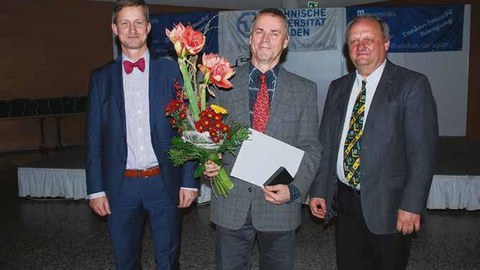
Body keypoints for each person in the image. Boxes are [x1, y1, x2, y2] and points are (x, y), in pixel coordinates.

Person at [309, 14, 438, 270]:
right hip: (345, 203)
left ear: (386, 43)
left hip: (390, 206)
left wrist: (412, 205)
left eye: (369, 39)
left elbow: (422, 152)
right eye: (354, 41)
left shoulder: (412, 84)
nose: (361, 46)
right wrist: (319, 190)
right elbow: (327, 143)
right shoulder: (338, 87)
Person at [204, 8, 322, 270]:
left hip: (278, 207)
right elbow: (208, 136)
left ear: (286, 41)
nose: (265, 39)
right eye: (259, 31)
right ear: (250, 38)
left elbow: (310, 148)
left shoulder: (304, 89)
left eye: (274, 32)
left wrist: (293, 189)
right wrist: (206, 162)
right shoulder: (222, 84)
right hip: (231, 203)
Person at [85, 1, 198, 269]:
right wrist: (95, 189)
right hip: (120, 185)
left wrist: (189, 181)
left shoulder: (172, 71)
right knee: (125, 261)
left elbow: (188, 129)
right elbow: (93, 137)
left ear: (148, 28)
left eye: (138, 22)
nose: (132, 29)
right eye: (125, 23)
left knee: (168, 260)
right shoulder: (101, 78)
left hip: (164, 180)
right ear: (114, 29)